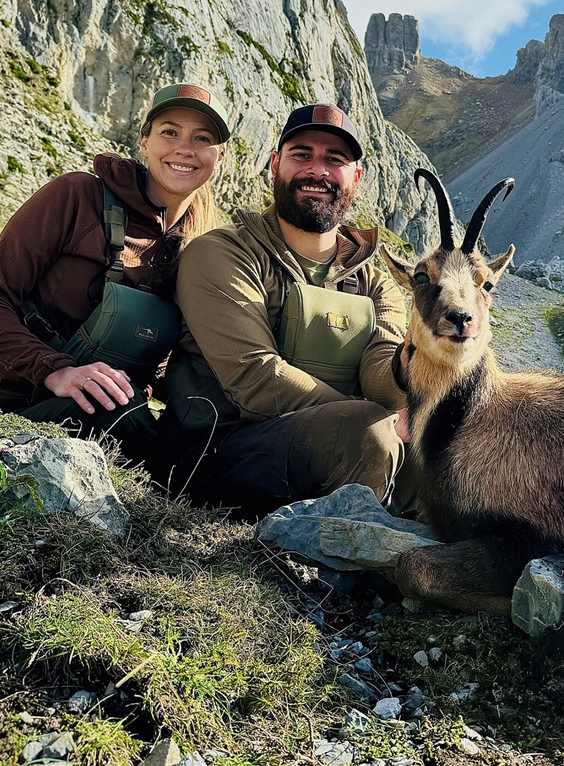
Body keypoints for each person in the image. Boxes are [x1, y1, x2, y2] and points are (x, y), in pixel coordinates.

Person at [161, 102, 409, 517]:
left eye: (335, 160)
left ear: (356, 178)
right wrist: (380, 421)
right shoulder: (223, 253)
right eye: (301, 155)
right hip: (215, 453)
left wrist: (414, 365)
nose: (318, 171)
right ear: (275, 164)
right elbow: (255, 377)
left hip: (332, 446)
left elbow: (379, 370)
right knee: (371, 434)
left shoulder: (376, 282)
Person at [0, 83, 230, 460]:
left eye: (202, 138)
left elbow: (170, 362)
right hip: (8, 411)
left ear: (220, 158)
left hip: (111, 409)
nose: (185, 148)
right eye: (169, 131)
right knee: (122, 412)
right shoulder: (76, 196)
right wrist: (57, 371)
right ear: (144, 142)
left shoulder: (203, 248)